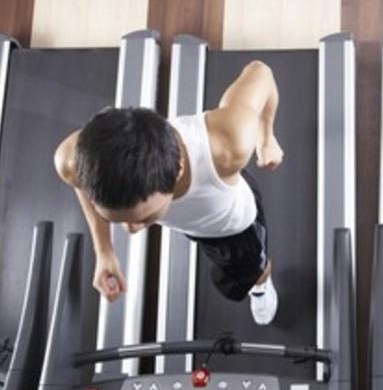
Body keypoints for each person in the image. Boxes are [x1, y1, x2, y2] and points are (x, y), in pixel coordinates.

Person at [53, 60, 283, 325]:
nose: (131, 230)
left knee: (252, 272)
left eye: (145, 218)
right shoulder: (71, 159)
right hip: (193, 222)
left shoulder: (231, 144)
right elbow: (81, 184)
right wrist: (104, 251)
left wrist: (266, 137)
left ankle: (261, 285)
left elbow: (260, 72)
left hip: (234, 227)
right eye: (121, 219)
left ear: (178, 170)